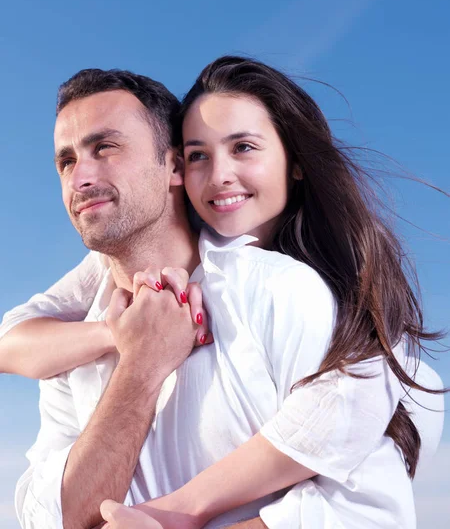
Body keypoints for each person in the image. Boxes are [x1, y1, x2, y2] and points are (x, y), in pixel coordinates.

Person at [0, 60, 444, 528]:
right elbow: (51, 519)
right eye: (65, 161)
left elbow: (370, 511)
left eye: (105, 147)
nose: (79, 178)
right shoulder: (75, 339)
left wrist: (181, 514)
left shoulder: (290, 293)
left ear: (168, 165)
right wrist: (134, 352)